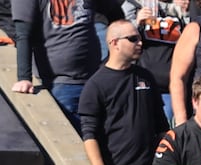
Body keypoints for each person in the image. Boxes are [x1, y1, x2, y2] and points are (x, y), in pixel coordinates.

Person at [79, 20, 172, 165]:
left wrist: (166, 164)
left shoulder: (145, 77)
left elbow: (161, 127)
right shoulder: (96, 84)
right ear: (114, 43)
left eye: (139, 38)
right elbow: (89, 133)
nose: (140, 43)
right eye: (133, 39)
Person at [9, 0, 125, 128]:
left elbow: (115, 13)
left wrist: (115, 58)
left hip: (94, 79)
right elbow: (23, 35)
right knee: (73, 137)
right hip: (59, 83)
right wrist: (24, 78)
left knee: (102, 136)